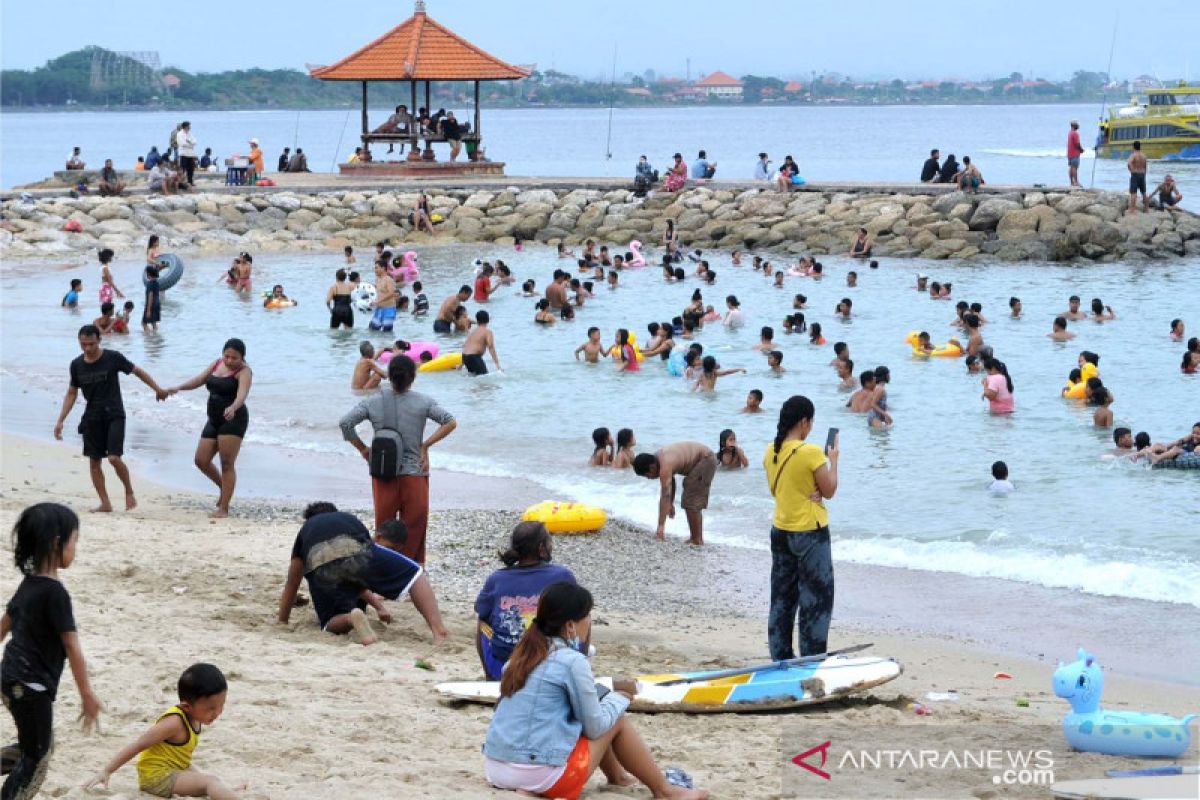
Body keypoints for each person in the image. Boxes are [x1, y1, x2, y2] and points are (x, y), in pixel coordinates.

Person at [483, 582, 709, 800]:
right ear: (570, 625)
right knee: (615, 720)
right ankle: (665, 792)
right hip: (540, 775)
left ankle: (618, 777)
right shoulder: (572, 661)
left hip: (497, 769)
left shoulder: (518, 658)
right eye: (587, 616)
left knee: (593, 714)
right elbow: (595, 727)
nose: (590, 621)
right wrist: (619, 699)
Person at [2, 503, 102, 800]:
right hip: (32, 687)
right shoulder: (55, 593)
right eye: (75, 542)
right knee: (37, 759)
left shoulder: (30, 584)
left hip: (9, 677)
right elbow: (72, 645)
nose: (75, 550)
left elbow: (4, 624)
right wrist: (87, 694)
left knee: (34, 744)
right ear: (57, 544)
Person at [339, 356, 456, 564]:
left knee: (384, 527)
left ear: (389, 376)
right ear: (413, 377)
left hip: (384, 473)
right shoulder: (423, 401)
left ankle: (383, 566)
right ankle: (410, 569)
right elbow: (449, 421)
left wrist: (364, 450)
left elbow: (345, 423)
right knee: (415, 526)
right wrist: (425, 445)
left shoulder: (372, 401)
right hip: (414, 472)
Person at [277, 504, 447, 644]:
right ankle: (439, 632)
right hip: (354, 548)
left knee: (328, 622)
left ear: (308, 520)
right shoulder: (344, 517)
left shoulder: (305, 531)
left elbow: (292, 584)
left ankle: (351, 618)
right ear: (333, 512)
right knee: (415, 574)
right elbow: (361, 576)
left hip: (319, 561)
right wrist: (379, 606)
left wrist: (282, 621)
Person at [53, 326, 169, 510]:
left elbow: (138, 371)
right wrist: (60, 420)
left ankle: (129, 491)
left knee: (114, 458)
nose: (88, 348)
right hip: (92, 418)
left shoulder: (113, 357)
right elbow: (72, 392)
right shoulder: (76, 365)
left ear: (99, 340)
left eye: (91, 344)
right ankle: (105, 503)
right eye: (83, 344)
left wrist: (158, 389)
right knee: (94, 462)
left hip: (114, 414)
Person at [85, 663, 238, 799]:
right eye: (210, 709)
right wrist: (106, 771)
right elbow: (138, 745)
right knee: (210, 782)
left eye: (221, 705)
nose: (217, 713)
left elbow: (180, 757)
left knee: (211, 779)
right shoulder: (173, 723)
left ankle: (224, 792)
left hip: (175, 767)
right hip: (156, 778)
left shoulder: (196, 715)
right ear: (186, 707)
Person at [764, 395, 839, 659]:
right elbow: (829, 490)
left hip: (780, 529)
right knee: (816, 598)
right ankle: (812, 657)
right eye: (811, 423)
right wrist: (834, 460)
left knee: (782, 597)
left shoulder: (770, 451)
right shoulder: (810, 452)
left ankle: (780, 656)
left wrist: (812, 489)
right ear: (804, 421)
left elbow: (782, 490)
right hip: (810, 532)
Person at [475, 522, 577, 680]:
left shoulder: (497, 579)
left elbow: (482, 611)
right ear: (541, 548)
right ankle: (577, 669)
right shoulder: (562, 576)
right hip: (549, 663)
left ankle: (490, 676)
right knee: (582, 615)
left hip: (505, 665)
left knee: (483, 620)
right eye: (550, 541)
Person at [166, 339, 252, 518]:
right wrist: (179, 387)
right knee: (201, 460)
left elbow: (242, 395)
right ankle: (223, 487)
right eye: (226, 356)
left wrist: (233, 407)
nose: (229, 361)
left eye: (234, 358)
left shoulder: (244, 371)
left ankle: (223, 508)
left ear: (242, 358)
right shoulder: (217, 363)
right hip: (213, 418)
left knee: (227, 464)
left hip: (233, 419)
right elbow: (199, 380)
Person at [632, 442, 718, 545]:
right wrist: (670, 503)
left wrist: (660, 527)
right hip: (705, 458)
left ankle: (697, 540)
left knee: (691, 500)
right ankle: (695, 538)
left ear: (652, 468)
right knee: (689, 497)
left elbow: (665, 495)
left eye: (647, 476)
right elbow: (670, 481)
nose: (649, 478)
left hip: (705, 459)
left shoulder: (665, 465)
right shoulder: (658, 459)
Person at [462, 310, 502, 375]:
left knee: (474, 377)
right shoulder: (488, 332)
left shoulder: (472, 332)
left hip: (465, 357)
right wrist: (497, 364)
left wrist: (461, 364)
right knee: (484, 380)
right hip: (474, 357)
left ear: (477, 321)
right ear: (488, 320)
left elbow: (467, 347)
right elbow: (491, 347)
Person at [369, 263, 398, 332]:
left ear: (383, 268)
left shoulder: (388, 280)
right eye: (375, 268)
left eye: (376, 268)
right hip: (379, 308)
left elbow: (391, 293)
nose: (375, 270)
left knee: (387, 332)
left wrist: (377, 302)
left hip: (389, 309)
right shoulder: (377, 279)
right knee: (372, 330)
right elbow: (379, 293)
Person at [1127, 140, 1148, 214]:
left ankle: (1133, 210)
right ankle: (1146, 209)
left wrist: (1131, 170)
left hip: (1135, 174)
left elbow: (1129, 163)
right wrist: (1144, 174)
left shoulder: (1133, 155)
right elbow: (1146, 166)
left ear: (1133, 147)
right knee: (1144, 192)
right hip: (1142, 174)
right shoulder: (1143, 155)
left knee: (1133, 193)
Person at [176, 121, 198, 188]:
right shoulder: (180, 134)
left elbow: (195, 141)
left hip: (190, 154)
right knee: (183, 169)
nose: (190, 127)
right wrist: (190, 144)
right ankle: (181, 182)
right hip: (183, 154)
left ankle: (190, 182)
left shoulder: (189, 134)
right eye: (189, 126)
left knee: (191, 169)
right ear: (185, 126)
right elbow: (182, 143)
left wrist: (189, 142)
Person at [143, 265, 162, 331]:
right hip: (157, 303)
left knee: (144, 323)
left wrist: (148, 310)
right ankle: (155, 337)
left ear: (148, 273)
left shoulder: (150, 284)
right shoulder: (156, 283)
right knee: (153, 323)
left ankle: (148, 338)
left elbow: (150, 296)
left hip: (152, 304)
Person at [1066, 120, 1085, 187]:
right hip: (1074, 154)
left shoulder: (1070, 133)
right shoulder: (1075, 133)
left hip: (1069, 153)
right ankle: (1076, 182)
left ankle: (1071, 182)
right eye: (1077, 125)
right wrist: (1081, 150)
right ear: (1074, 125)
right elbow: (1077, 144)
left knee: (1071, 167)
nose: (1078, 126)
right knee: (1074, 168)